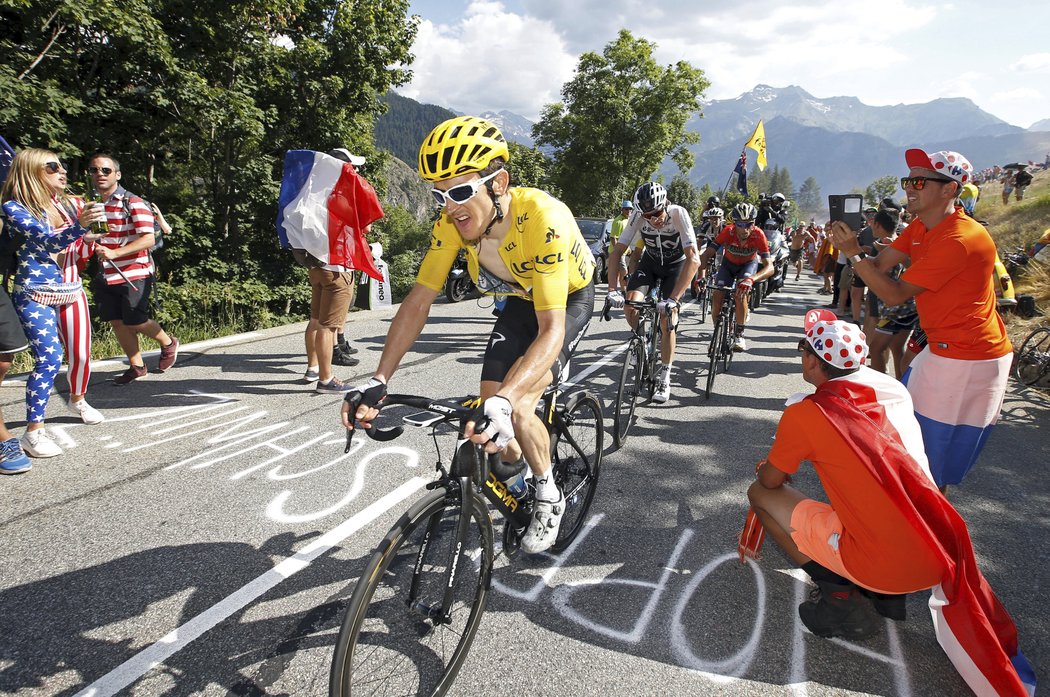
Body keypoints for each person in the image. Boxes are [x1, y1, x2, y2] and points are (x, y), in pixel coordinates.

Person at [743, 309, 1035, 696]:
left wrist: (778, 463)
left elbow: (770, 479)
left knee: (760, 495)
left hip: (882, 563)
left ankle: (839, 593)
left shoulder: (807, 413)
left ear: (812, 361)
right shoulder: (892, 391)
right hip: (936, 554)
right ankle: (883, 595)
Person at [341, 116, 595, 554]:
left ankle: (548, 493)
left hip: (565, 299)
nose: (449, 207)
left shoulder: (543, 218)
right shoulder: (450, 225)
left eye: (460, 192)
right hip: (520, 298)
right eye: (439, 195)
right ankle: (514, 464)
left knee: (516, 404)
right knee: (488, 403)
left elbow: (551, 328)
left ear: (499, 184)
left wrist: (509, 397)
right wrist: (380, 379)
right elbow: (418, 300)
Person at [830, 149, 1013, 493]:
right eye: (908, 180)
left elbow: (894, 294)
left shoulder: (960, 239)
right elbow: (881, 265)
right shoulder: (921, 224)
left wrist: (853, 253)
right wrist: (850, 244)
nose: (909, 188)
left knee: (929, 460)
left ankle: (926, 533)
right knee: (909, 438)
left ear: (949, 189)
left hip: (969, 357)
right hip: (943, 348)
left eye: (919, 181)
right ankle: (915, 524)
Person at [1, 149, 107, 458]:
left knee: (81, 354)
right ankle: (34, 432)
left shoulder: (66, 204)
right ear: (31, 172)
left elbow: (73, 241)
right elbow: (48, 240)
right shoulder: (13, 207)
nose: (62, 171)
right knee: (50, 358)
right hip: (35, 291)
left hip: (70, 288)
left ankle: (78, 399)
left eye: (61, 166)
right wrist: (80, 226)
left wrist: (89, 238)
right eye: (52, 167)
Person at [87, 153, 179, 385]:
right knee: (117, 322)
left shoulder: (133, 202)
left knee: (135, 320)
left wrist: (115, 253)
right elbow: (99, 237)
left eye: (105, 170)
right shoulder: (96, 205)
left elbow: (147, 239)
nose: (99, 174)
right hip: (107, 273)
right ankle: (137, 366)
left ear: (117, 175)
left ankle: (168, 342)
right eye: (94, 170)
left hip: (134, 271)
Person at [607, 182, 699, 401]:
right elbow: (616, 252)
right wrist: (612, 290)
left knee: (668, 320)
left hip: (675, 267)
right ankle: (643, 342)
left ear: (665, 204)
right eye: (647, 216)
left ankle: (665, 376)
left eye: (657, 213)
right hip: (650, 264)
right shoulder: (638, 216)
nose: (653, 219)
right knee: (631, 306)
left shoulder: (678, 213)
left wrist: (674, 299)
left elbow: (694, 259)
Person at [300, 148, 368, 391]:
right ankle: (326, 380)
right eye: (353, 166)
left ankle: (312, 368)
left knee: (316, 320)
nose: (356, 170)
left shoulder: (313, 191)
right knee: (329, 326)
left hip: (316, 265)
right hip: (337, 267)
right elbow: (363, 230)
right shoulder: (342, 196)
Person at [696, 202, 774, 352]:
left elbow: (769, 267)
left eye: (749, 224)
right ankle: (717, 332)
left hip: (747, 266)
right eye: (739, 224)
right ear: (734, 223)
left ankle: (739, 334)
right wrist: (701, 276)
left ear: (754, 223)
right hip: (728, 265)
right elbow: (706, 255)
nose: (744, 229)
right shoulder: (728, 231)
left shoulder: (759, 235)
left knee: (741, 294)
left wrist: (752, 279)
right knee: (717, 294)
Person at [608, 199, 633, 290]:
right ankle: (624, 291)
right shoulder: (618, 221)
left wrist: (629, 249)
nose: (628, 211)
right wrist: (618, 252)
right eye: (626, 209)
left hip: (625, 251)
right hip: (618, 252)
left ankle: (618, 290)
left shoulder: (628, 220)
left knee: (619, 272)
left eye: (630, 209)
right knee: (624, 271)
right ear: (622, 210)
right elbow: (613, 238)